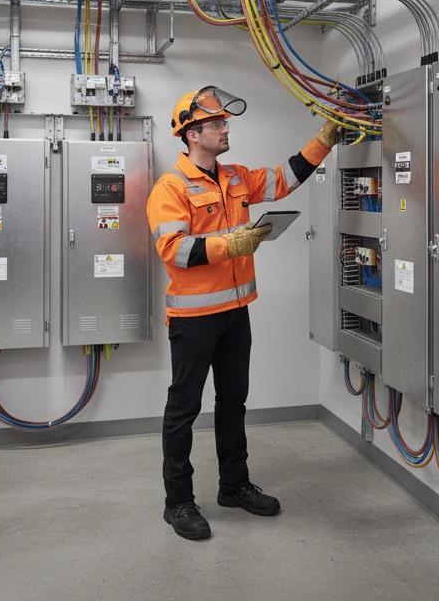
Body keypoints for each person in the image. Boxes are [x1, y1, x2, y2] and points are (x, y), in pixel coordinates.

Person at [146, 86, 341, 540]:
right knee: (184, 410)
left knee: (233, 404)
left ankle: (233, 486)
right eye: (216, 124)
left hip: (237, 314)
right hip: (194, 321)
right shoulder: (170, 188)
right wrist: (228, 244)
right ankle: (177, 503)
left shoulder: (235, 177)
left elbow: (283, 178)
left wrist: (325, 139)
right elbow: (172, 250)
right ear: (191, 133)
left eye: (223, 123)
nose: (225, 128)